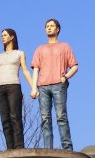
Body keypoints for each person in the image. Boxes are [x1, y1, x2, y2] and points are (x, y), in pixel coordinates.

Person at [31, 18, 78, 150]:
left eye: (51, 26)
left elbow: (74, 66)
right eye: (47, 26)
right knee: (45, 119)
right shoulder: (40, 49)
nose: (49, 28)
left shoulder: (65, 46)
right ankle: (48, 149)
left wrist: (66, 76)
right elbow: (35, 68)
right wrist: (34, 87)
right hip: (43, 86)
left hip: (58, 85)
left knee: (61, 117)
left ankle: (67, 148)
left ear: (57, 29)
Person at [0, 28, 36, 150]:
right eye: (1, 35)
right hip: (0, 89)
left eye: (5, 35)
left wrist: (33, 86)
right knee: (5, 119)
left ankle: (19, 147)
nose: (2, 37)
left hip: (14, 87)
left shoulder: (19, 53)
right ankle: (9, 148)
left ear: (12, 37)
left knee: (15, 116)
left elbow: (25, 71)